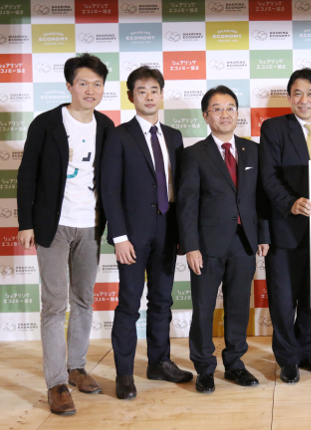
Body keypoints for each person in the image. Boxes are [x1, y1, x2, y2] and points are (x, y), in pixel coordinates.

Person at [17, 54, 114, 415]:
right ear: (70, 85)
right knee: (55, 305)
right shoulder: (46, 124)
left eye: (97, 84)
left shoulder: (107, 126)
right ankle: (56, 383)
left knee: (84, 300)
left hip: (91, 226)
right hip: (52, 226)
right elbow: (27, 174)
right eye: (83, 83)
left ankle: (76, 367)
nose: (90, 90)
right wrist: (25, 223)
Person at [101, 66, 191, 400]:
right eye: (142, 91)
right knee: (129, 303)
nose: (149, 96)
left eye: (154, 90)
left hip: (167, 229)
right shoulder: (119, 135)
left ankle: (159, 362)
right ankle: (124, 374)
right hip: (132, 235)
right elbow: (110, 190)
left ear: (162, 94)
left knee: (162, 300)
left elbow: (180, 188)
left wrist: (183, 233)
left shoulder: (174, 136)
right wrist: (119, 237)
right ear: (131, 97)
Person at [177, 86, 270, 393]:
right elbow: (187, 204)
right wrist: (191, 246)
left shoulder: (253, 150)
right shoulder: (193, 154)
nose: (225, 114)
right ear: (206, 116)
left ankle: (235, 364)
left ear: (237, 113)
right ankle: (204, 368)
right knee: (204, 308)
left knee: (238, 307)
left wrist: (263, 235)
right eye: (217, 109)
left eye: (230, 107)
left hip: (245, 243)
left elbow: (260, 198)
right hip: (207, 246)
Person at [259, 68, 311, 384]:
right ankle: (288, 360)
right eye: (297, 93)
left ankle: (309, 353)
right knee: (283, 302)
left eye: (310, 93)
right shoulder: (274, 128)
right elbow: (268, 176)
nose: (304, 99)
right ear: (289, 97)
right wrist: (292, 202)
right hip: (285, 231)